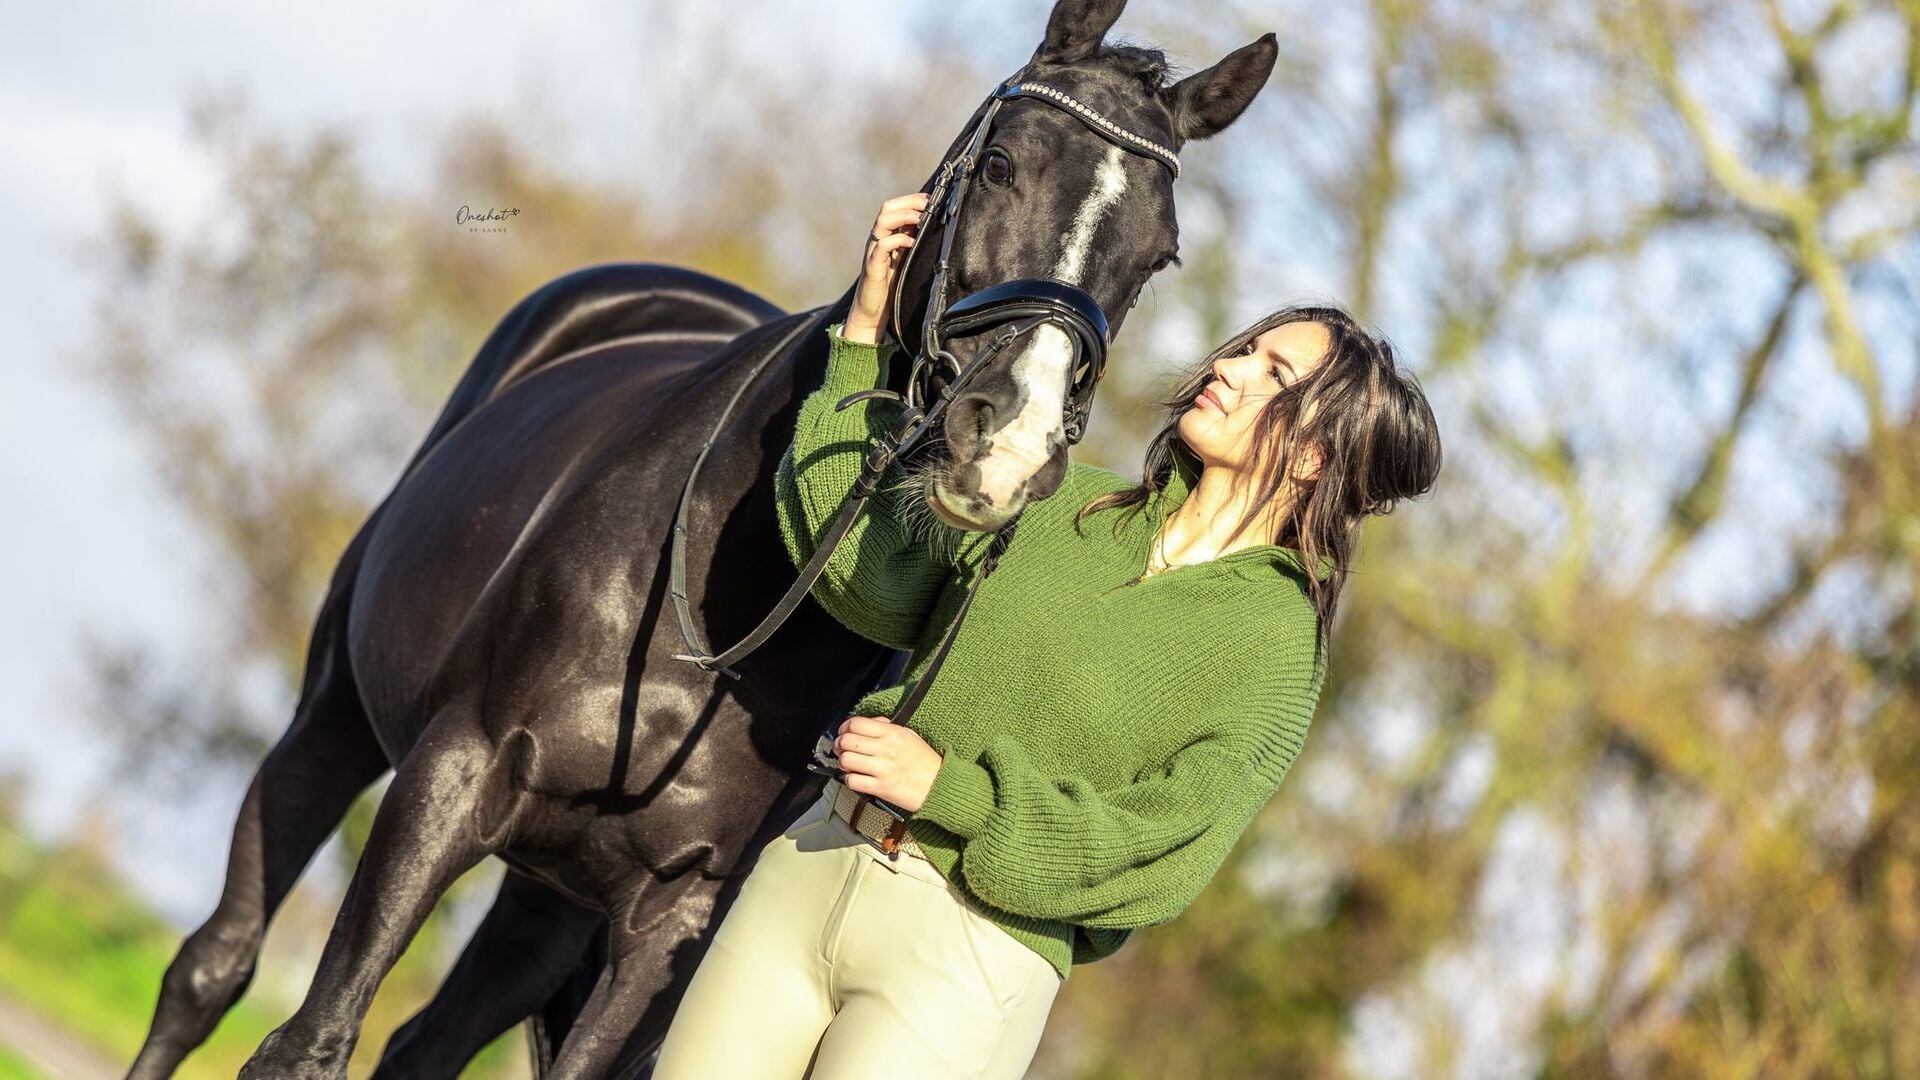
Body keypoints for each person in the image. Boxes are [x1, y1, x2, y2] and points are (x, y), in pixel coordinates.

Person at [651, 192, 1442, 1079]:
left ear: (1314, 456)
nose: (1229, 365)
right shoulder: (1066, 499)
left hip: (968, 961)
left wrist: (951, 793)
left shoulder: (1274, 644)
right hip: (813, 860)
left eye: (1274, 374)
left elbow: (1161, 851)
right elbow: (865, 576)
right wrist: (864, 338)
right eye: (1246, 348)